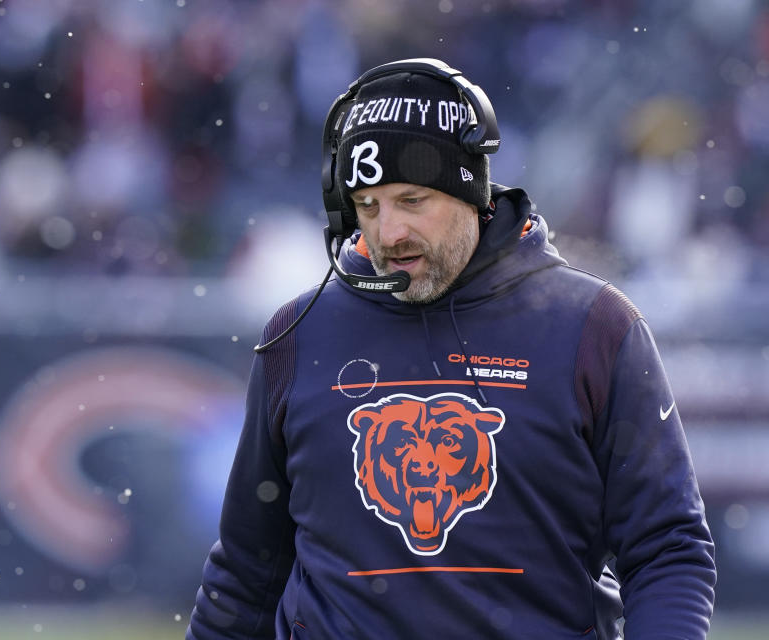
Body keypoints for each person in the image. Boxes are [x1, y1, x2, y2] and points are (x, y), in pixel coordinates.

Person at [187, 58, 716, 639]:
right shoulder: (298, 334)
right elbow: (246, 574)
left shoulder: (594, 327)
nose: (388, 233)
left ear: (473, 193)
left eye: (412, 200)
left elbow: (667, 550)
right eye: (368, 206)